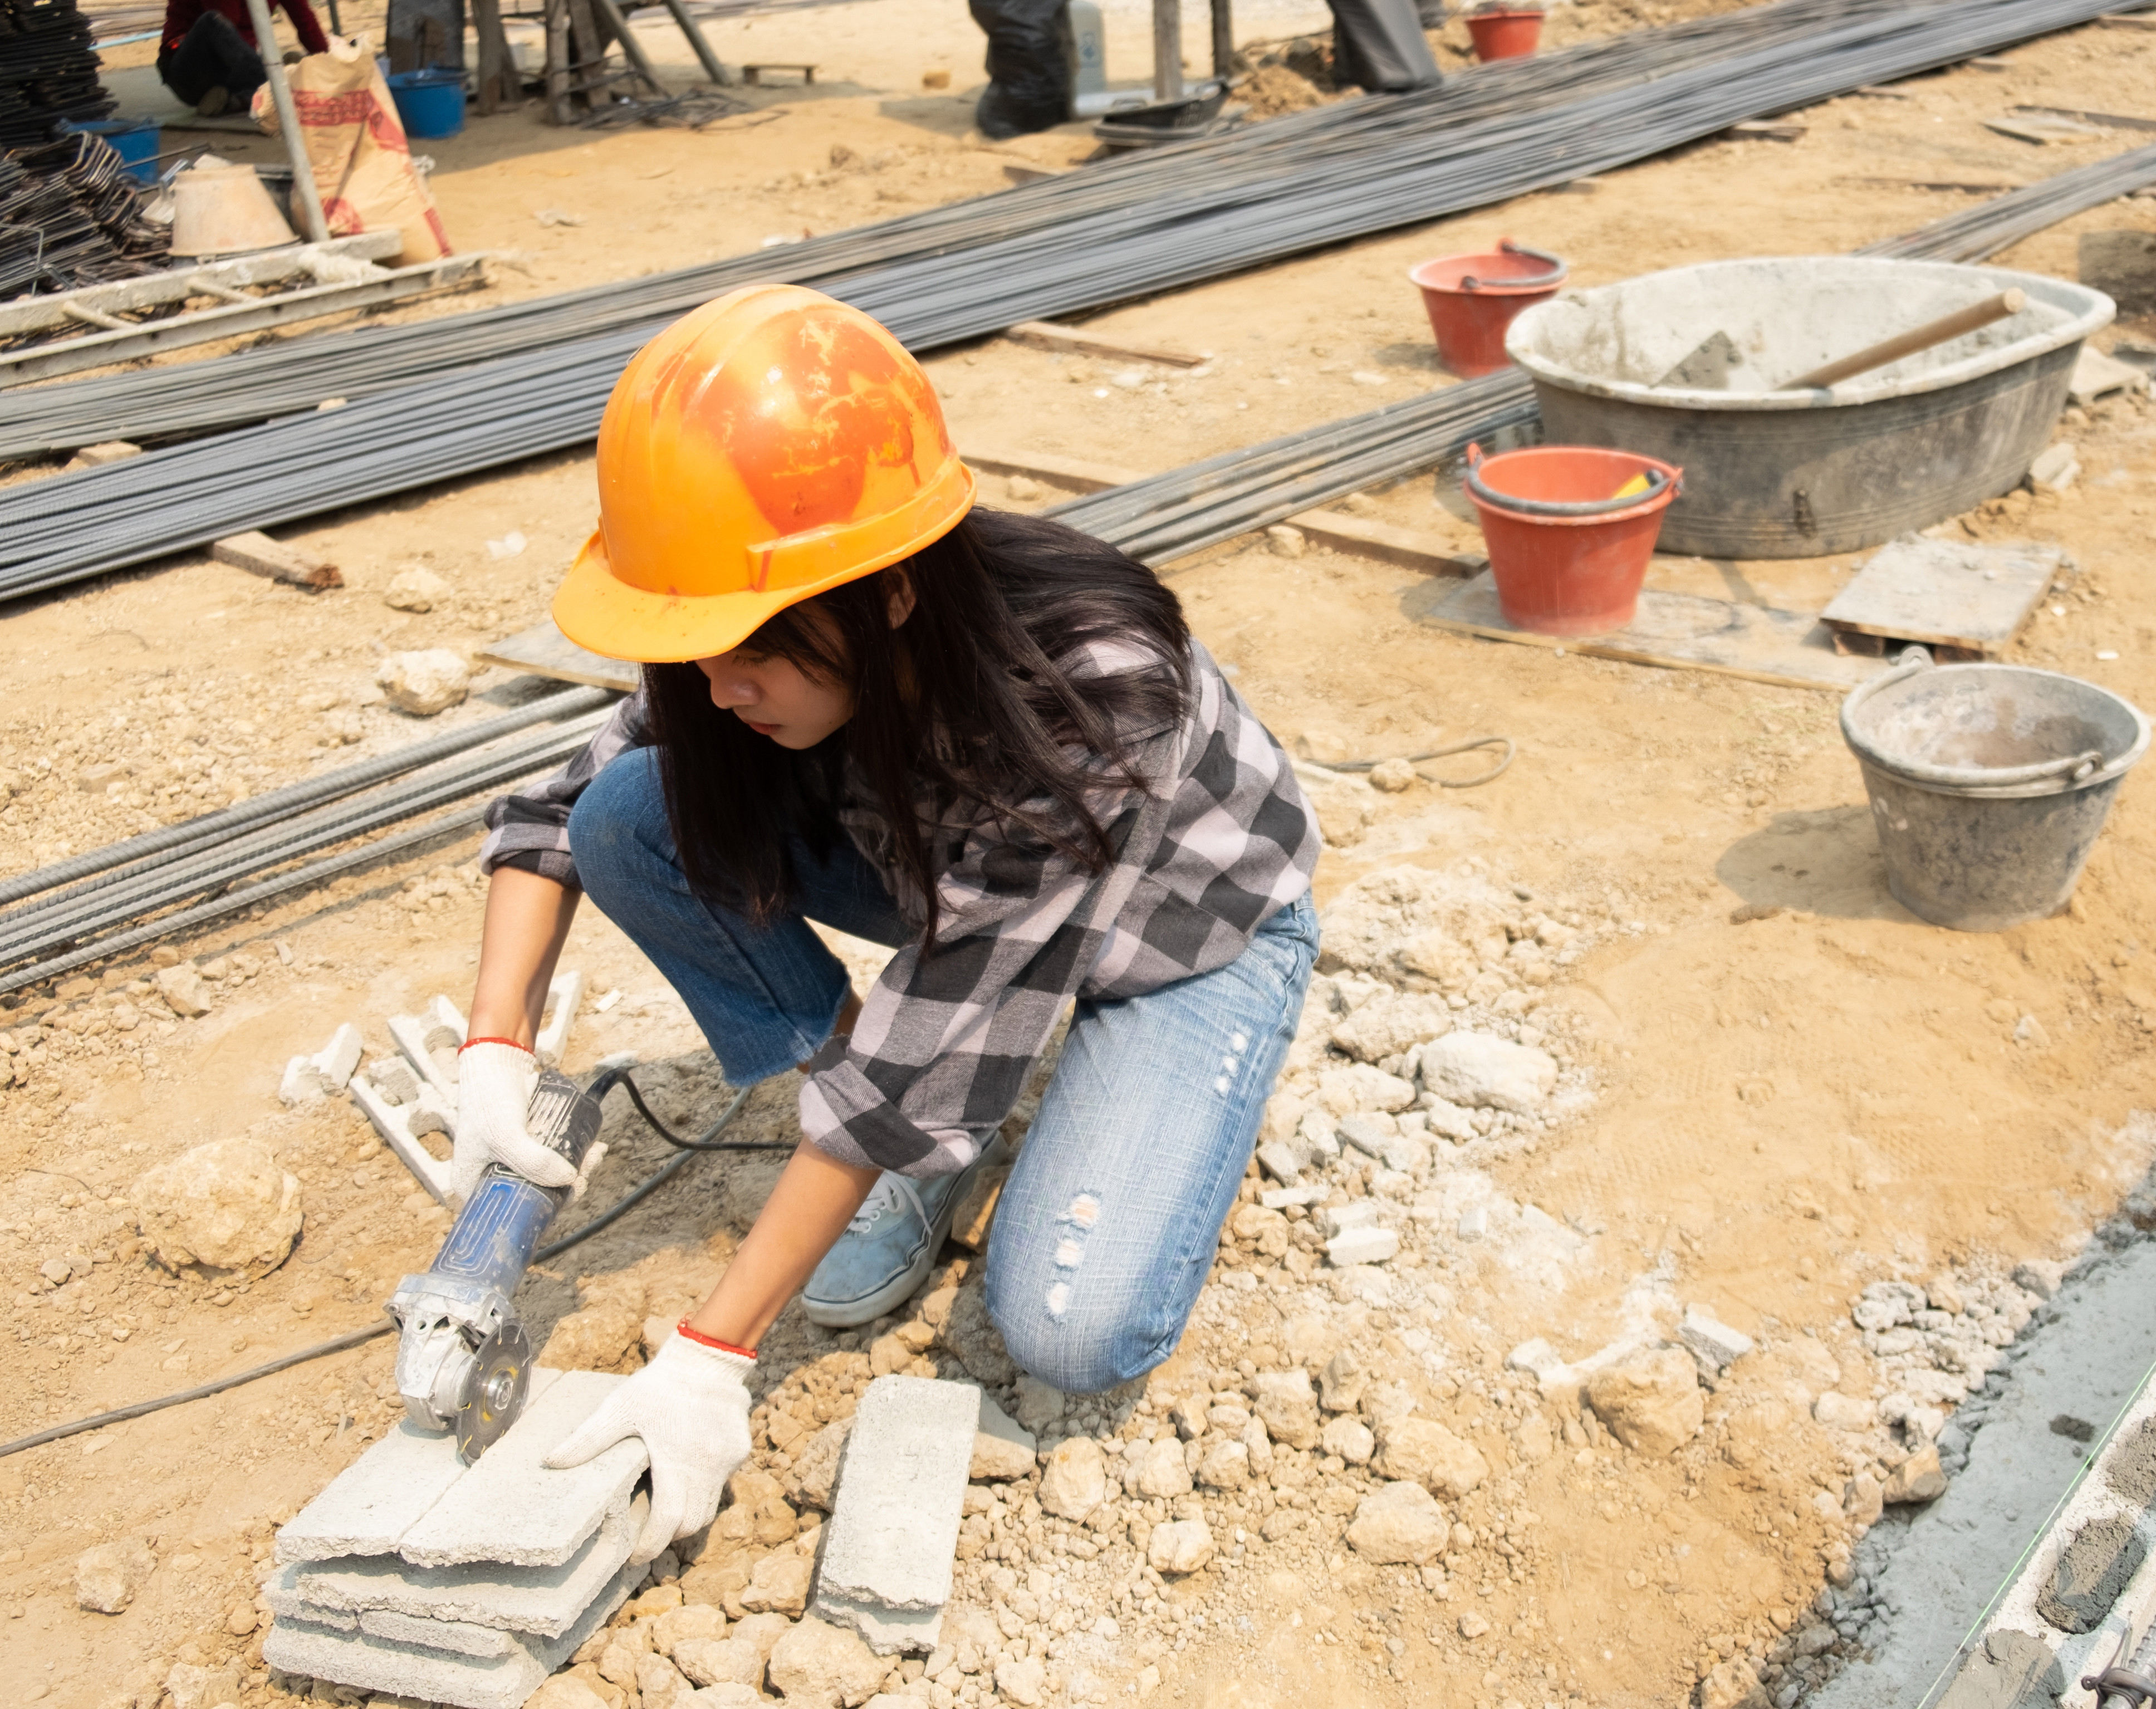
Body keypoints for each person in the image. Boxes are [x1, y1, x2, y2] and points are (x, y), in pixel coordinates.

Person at [459, 285, 1320, 1563]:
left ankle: (1003, 1116)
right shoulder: (748, 643)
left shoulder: (1086, 692)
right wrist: (496, 1045)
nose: (715, 683)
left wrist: (706, 1361)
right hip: (959, 886)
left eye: (744, 645)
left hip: (1180, 937)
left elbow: (935, 1032)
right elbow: (557, 810)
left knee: (1069, 1331)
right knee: (634, 817)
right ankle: (913, 1146)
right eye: (694, 645)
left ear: (891, 593)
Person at [156, 0, 329, 114]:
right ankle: (278, 88)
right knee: (213, 21)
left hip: (234, 70)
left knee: (255, 60)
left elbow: (306, 22)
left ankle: (236, 101)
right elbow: (227, 25)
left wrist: (329, 65)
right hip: (186, 71)